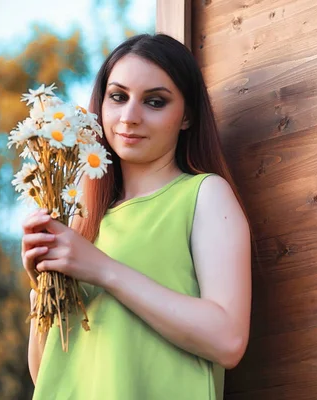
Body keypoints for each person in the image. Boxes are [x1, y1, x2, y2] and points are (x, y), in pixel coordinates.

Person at [21, 33, 252, 400]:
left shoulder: (203, 196)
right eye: (118, 97)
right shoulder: (82, 223)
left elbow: (229, 340)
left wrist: (103, 270)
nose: (130, 117)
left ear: (187, 115)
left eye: (155, 102)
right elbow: (46, 375)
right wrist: (42, 288)